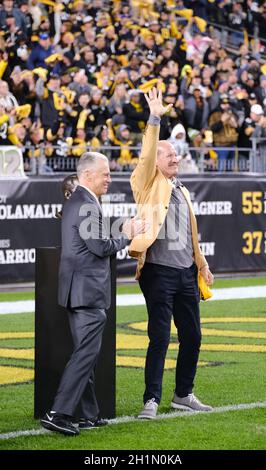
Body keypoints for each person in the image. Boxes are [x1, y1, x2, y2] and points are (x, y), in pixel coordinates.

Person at [41, 151, 147, 435]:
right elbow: (100, 248)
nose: (110, 178)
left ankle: (89, 414)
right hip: (87, 291)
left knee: (84, 353)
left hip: (78, 290)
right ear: (87, 175)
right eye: (106, 173)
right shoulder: (86, 202)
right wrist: (129, 233)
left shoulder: (80, 201)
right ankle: (57, 413)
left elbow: (93, 242)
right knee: (85, 354)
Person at [129, 87, 214, 419]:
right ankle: (151, 398)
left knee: (193, 336)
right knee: (160, 336)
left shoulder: (184, 190)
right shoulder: (148, 182)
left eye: (176, 155)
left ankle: (183, 394)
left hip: (185, 272)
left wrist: (202, 264)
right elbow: (148, 155)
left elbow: (192, 235)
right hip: (158, 271)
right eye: (169, 156)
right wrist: (154, 119)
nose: (175, 158)